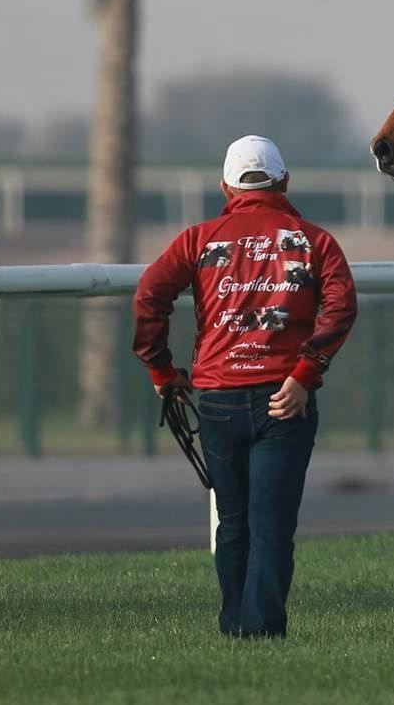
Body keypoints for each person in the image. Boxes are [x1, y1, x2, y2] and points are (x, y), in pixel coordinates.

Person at [133, 134, 357, 638]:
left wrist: (161, 371)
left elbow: (149, 296)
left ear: (226, 188)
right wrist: (306, 373)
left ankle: (235, 628)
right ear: (284, 182)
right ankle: (259, 637)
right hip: (286, 401)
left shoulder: (197, 239)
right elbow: (341, 307)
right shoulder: (315, 241)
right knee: (271, 529)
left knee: (233, 525)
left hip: (216, 400)